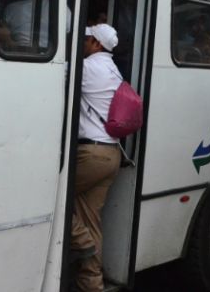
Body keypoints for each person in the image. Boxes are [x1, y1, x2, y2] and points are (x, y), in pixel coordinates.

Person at [70, 23, 123, 292]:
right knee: (91, 221)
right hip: (112, 154)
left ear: (97, 44)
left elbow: (54, 75)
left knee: (49, 198)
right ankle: (92, 284)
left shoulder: (89, 68)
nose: (82, 42)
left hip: (91, 154)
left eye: (86, 38)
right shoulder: (114, 70)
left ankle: (82, 242)